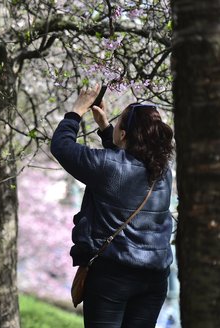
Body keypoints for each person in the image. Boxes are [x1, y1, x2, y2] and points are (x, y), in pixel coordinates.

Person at [50, 86, 174, 327]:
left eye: (118, 124)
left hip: (113, 275)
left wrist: (76, 111)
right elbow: (125, 166)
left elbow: (62, 147)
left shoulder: (107, 165)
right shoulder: (162, 171)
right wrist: (106, 129)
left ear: (125, 134)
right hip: (155, 276)